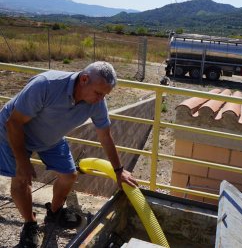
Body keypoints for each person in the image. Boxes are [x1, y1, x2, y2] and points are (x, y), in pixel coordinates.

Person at [0, 61, 139, 247]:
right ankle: (30, 224)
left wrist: (119, 170)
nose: (101, 99)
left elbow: (105, 136)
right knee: (21, 179)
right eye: (98, 93)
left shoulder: (97, 102)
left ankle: (54, 212)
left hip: (50, 137)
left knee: (69, 175)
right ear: (84, 79)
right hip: (14, 132)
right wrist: (23, 161)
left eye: (105, 95)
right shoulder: (46, 85)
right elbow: (13, 123)